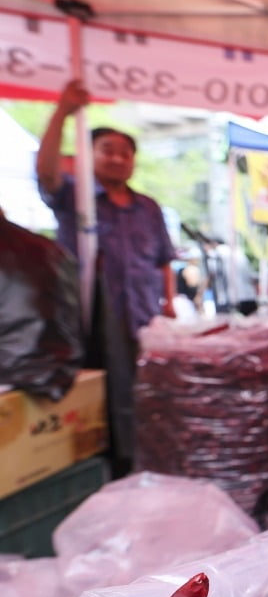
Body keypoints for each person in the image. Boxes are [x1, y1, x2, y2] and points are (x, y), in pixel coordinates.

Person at [36, 79, 176, 476]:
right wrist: (62, 111)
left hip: (144, 320)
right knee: (102, 400)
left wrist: (168, 309)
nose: (117, 159)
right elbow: (45, 172)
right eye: (107, 150)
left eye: (125, 152)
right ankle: (106, 467)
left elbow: (164, 261)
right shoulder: (75, 200)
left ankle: (143, 464)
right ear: (88, 155)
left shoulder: (148, 207)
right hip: (90, 321)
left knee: (145, 399)